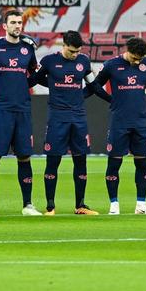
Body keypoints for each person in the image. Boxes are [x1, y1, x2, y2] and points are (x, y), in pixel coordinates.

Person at [0, 9, 40, 216]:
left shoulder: (28, 48)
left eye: (19, 23)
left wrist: (21, 86)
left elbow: (34, 75)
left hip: (23, 109)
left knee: (25, 157)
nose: (17, 26)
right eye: (13, 23)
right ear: (4, 26)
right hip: (1, 109)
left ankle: (28, 205)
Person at [89, 37, 146, 215]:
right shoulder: (111, 65)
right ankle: (114, 205)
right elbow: (96, 85)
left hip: (141, 122)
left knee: (142, 164)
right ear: (127, 50)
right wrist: (111, 100)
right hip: (119, 122)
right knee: (114, 163)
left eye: (140, 58)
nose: (137, 61)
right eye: (135, 58)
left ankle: (141, 205)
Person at [32, 30, 98, 216]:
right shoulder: (49, 61)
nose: (75, 55)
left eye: (78, 51)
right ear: (63, 45)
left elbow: (92, 86)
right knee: (53, 160)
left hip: (78, 118)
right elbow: (33, 80)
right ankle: (50, 207)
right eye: (71, 51)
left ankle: (81, 205)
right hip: (57, 118)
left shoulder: (83, 61)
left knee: (81, 160)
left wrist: (80, 96)